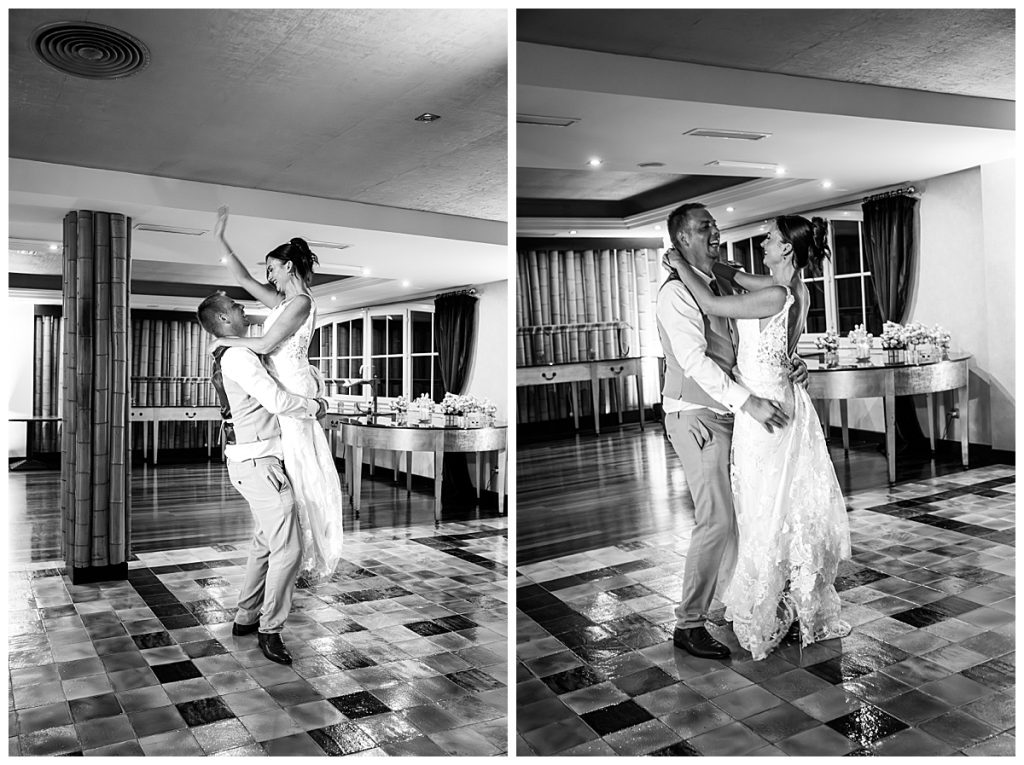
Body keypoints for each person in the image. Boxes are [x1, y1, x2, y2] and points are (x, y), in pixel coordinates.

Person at [666, 211, 852, 661]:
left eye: (769, 238)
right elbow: (733, 280)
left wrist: (681, 263)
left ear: (786, 247)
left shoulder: (775, 294)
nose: (762, 243)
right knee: (770, 507)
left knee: (764, 511)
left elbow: (713, 306)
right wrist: (699, 264)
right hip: (767, 401)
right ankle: (773, 603)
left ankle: (765, 607)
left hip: (761, 411)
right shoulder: (789, 289)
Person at [210, 207, 345, 578]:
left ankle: (299, 550)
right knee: (287, 461)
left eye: (271, 269)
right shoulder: (284, 303)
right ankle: (284, 540)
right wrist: (221, 239)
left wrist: (224, 340)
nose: (268, 276)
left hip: (291, 384)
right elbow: (242, 277)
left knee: (299, 464)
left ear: (289, 266)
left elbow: (267, 344)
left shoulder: (302, 303)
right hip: (283, 381)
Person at [197, 292, 329, 664]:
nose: (241, 307)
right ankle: (270, 629)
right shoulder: (238, 356)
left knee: (264, 541)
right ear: (223, 319)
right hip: (259, 465)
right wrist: (316, 406)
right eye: (234, 306)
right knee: (290, 549)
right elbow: (276, 401)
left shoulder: (235, 351)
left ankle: (246, 617)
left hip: (255, 462)